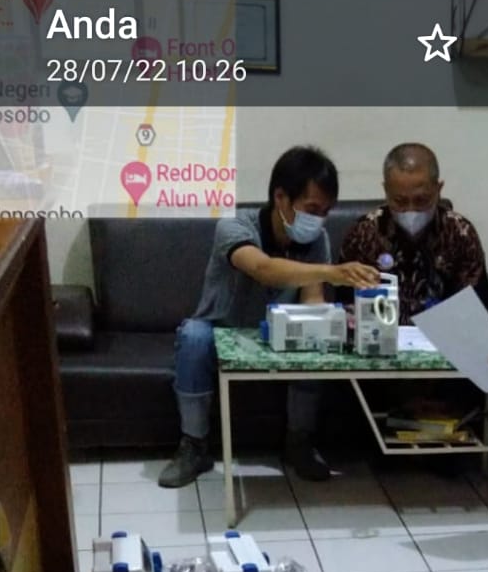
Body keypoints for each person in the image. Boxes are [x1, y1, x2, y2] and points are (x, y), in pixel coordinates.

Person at [159, 145, 382, 489]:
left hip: (280, 333)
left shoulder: (316, 239)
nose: (319, 220)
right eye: (312, 209)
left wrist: (332, 320)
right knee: (193, 336)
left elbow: (311, 299)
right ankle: (194, 445)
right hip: (224, 330)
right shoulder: (235, 226)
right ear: (281, 197)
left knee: (317, 337)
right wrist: (332, 272)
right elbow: (263, 269)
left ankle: (299, 441)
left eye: (326, 212)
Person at [336, 143, 488, 322]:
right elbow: (346, 305)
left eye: (421, 200)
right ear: (386, 191)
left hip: (444, 334)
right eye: (400, 201)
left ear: (438, 190)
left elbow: (476, 310)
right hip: (379, 333)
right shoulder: (363, 233)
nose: (411, 210)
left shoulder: (460, 233)